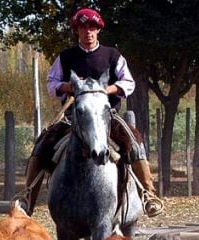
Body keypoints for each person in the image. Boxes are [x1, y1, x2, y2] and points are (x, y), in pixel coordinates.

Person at [19, 7, 163, 217]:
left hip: (107, 115)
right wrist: (71, 88)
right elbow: (52, 83)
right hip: (73, 117)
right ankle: (27, 199)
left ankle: (148, 194)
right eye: (83, 27)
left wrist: (106, 90)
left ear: (98, 30)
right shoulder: (66, 57)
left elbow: (128, 82)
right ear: (77, 30)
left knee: (134, 140)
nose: (88, 31)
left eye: (92, 27)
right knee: (43, 143)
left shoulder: (112, 55)